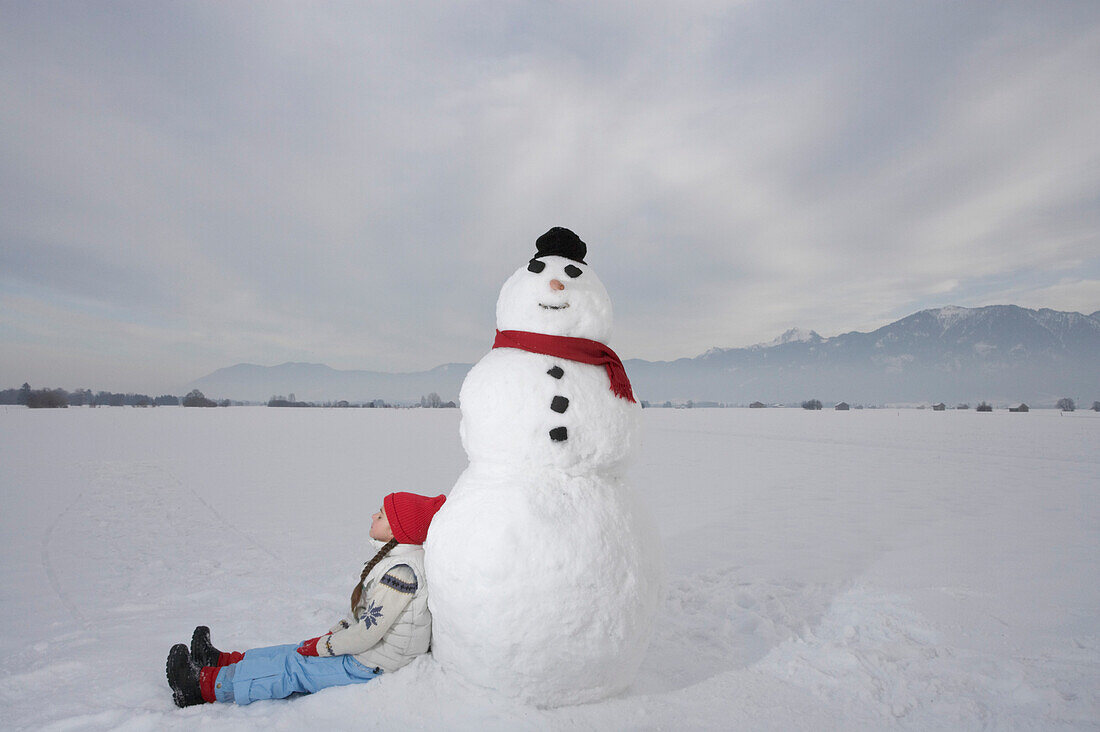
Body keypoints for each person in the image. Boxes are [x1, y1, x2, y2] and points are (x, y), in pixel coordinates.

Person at [165, 491, 446, 707]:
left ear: (398, 532)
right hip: (372, 653)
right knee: (296, 650)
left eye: (382, 516)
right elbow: (365, 617)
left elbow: (368, 635)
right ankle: (224, 662)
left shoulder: (401, 574)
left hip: (376, 666)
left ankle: (203, 686)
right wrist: (334, 635)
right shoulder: (395, 562)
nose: (373, 516)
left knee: (294, 667)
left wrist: (326, 646)